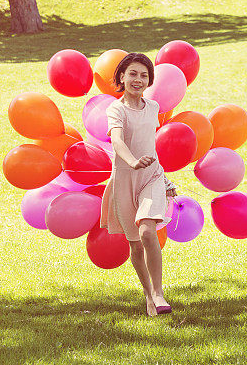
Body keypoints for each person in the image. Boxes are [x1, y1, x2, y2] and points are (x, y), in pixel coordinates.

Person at [99, 52, 177, 317]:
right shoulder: (116, 109)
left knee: (147, 231)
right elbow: (117, 141)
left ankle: (158, 292)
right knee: (135, 244)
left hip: (152, 177)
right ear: (121, 76)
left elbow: (151, 147)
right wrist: (132, 162)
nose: (138, 79)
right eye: (132, 73)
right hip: (125, 179)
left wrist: (164, 179)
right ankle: (148, 295)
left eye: (144, 75)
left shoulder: (153, 108)